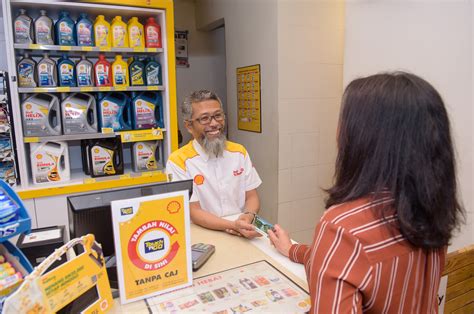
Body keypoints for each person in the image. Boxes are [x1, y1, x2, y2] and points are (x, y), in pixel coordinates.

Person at [268, 72, 464, 313]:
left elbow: (349, 258)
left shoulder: (342, 227)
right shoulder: (429, 209)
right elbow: (351, 265)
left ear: (363, 136)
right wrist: (292, 249)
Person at [166, 90, 262, 238]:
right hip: (203, 232)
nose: (214, 123)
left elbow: (252, 196)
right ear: (189, 126)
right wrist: (232, 226)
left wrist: (248, 216)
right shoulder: (178, 161)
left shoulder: (239, 152)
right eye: (204, 118)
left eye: (218, 115)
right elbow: (194, 211)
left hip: (242, 227)